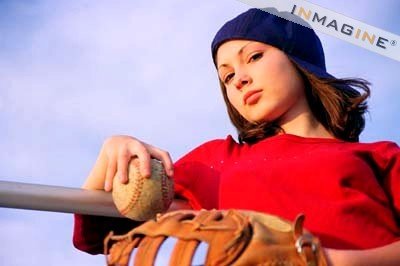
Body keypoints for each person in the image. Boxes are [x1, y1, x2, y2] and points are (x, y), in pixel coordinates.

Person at [73, 8, 400, 265]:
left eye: (254, 57)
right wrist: (111, 153)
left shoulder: (381, 155)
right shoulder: (215, 162)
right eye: (226, 76)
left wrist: (330, 261)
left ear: (299, 58)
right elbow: (98, 233)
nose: (239, 79)